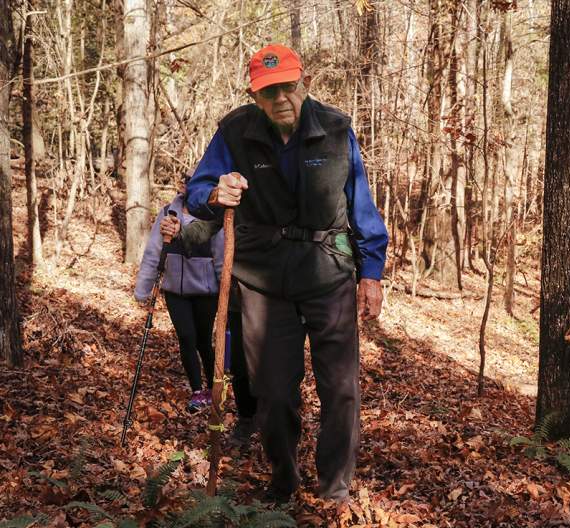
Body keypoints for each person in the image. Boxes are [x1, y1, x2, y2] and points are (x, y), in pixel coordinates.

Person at [184, 44, 388, 502]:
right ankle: (284, 478)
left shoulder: (336, 130)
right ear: (255, 96)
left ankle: (334, 486)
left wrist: (370, 273)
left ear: (305, 82)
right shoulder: (235, 131)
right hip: (262, 278)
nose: (281, 99)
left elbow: (363, 207)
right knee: (273, 392)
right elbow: (197, 188)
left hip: (330, 273)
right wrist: (217, 192)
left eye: (288, 87)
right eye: (268, 91)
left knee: (341, 388)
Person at [161, 216, 258, 446]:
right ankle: (245, 416)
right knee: (234, 360)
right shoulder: (171, 211)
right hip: (198, 290)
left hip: (224, 289)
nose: (186, 183)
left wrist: (218, 287)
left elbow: (217, 249)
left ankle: (266, 415)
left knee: (208, 343)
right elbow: (156, 250)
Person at [134, 193, 224, 412]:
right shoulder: (167, 213)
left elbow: (221, 255)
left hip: (206, 291)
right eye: (184, 179)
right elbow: (153, 251)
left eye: (191, 179)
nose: (186, 184)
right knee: (186, 337)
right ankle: (197, 391)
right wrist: (142, 289)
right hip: (175, 290)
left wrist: (226, 293)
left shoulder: (213, 216)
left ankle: (216, 389)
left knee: (203, 340)